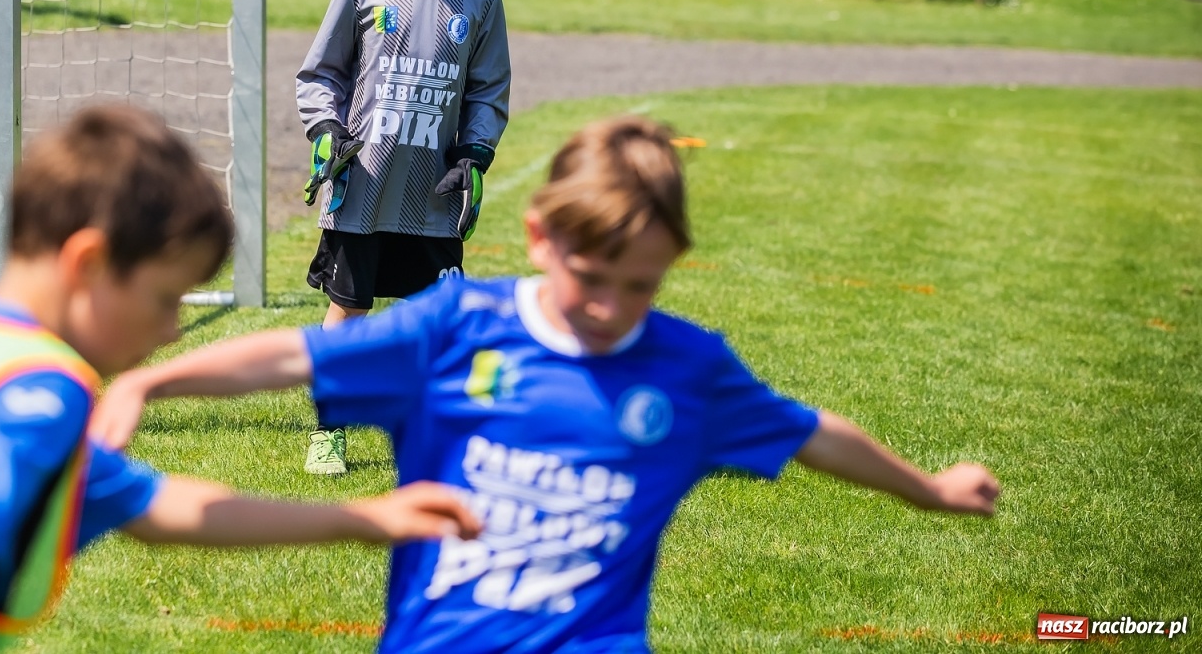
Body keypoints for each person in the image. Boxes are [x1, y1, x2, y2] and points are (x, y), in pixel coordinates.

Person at [91, 115, 1002, 654]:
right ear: (539, 237)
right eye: (590, 277)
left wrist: (930, 491)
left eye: (640, 284)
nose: (610, 305)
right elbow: (294, 356)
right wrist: (149, 387)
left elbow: (808, 432)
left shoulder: (689, 370)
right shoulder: (460, 329)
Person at [0, 105, 477, 654]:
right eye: (162, 298)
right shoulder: (39, 396)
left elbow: (157, 507)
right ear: (86, 265)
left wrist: (364, 519)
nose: (173, 328)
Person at [296, 0, 512, 474]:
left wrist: (475, 154)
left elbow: (488, 88)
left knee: (441, 322)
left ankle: (438, 433)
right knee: (348, 308)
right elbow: (321, 74)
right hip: (363, 186)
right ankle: (329, 430)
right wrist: (325, 130)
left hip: (432, 196)